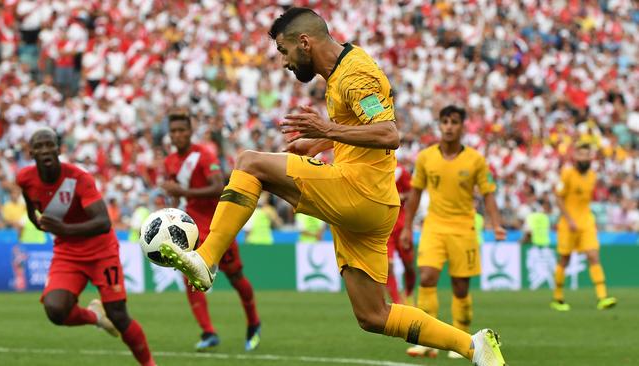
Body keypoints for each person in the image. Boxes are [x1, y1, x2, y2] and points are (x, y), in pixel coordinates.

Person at [158, 8, 505, 365]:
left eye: (284, 50)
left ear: (304, 42)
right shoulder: (341, 72)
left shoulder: (356, 74)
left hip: (360, 191)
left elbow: (389, 134)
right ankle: (472, 346)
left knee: (250, 163)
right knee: (373, 315)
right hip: (370, 204)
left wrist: (327, 132)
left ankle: (206, 258)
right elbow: (360, 129)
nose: (284, 62)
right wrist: (321, 143)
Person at [16, 127, 155, 366]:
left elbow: (103, 222)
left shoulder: (78, 179)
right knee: (55, 310)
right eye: (39, 146)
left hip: (101, 251)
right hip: (67, 253)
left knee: (119, 315)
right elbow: (31, 203)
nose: (45, 149)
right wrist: (36, 222)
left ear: (59, 149)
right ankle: (95, 317)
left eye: (50, 144)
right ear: (31, 153)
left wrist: (64, 230)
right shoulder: (25, 178)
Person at [401, 105, 506, 360]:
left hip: (463, 229)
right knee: (426, 277)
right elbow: (414, 195)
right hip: (434, 226)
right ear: (439, 125)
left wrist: (497, 223)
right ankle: (427, 339)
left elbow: (488, 194)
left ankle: (464, 337)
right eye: (445, 121)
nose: (449, 126)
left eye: (454, 122)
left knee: (460, 287)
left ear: (462, 127)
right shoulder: (426, 157)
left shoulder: (475, 160)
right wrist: (406, 227)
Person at [161, 110, 261, 351]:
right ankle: (208, 332)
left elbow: (218, 187)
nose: (178, 135)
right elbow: (177, 197)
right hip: (189, 231)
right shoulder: (169, 161)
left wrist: (182, 192)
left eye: (182, 130)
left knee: (235, 278)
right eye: (173, 131)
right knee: (190, 279)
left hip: (216, 228)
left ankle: (253, 323)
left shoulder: (204, 156)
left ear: (190, 131)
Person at [551, 143, 617, 311]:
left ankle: (602, 297)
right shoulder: (567, 175)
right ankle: (558, 298)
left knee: (593, 255)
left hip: (586, 222)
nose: (584, 159)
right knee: (564, 260)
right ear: (575, 157)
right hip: (568, 224)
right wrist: (569, 219)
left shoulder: (592, 176)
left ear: (590, 158)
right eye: (580, 155)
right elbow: (558, 198)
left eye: (587, 155)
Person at [385, 163, 416, 305]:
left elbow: (414, 193)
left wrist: (400, 196)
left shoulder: (400, 171)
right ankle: (398, 303)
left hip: (401, 227)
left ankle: (409, 293)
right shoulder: (370, 168)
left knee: (409, 266)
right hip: (383, 228)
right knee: (388, 266)